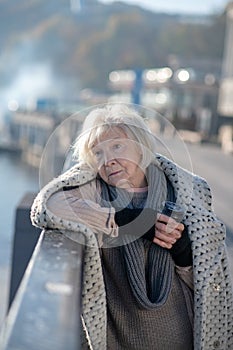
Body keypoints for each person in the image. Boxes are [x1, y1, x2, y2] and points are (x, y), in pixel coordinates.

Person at [31, 103, 233, 350]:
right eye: (98, 153)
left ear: (140, 147)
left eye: (117, 146)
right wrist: (130, 220)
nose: (109, 161)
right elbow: (46, 206)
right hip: (119, 340)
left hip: (183, 338)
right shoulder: (93, 191)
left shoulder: (187, 191)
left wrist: (183, 251)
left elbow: (208, 283)